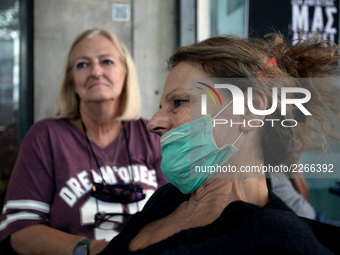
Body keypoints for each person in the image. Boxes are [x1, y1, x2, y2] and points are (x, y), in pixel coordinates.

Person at [98, 34, 340, 254]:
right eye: (161, 107)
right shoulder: (168, 198)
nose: (153, 123)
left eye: (179, 102)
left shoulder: (278, 240)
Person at [0, 28, 167, 254]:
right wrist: (96, 250)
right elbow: (20, 230)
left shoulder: (154, 134)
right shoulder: (45, 137)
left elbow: (180, 214)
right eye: (82, 64)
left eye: (106, 61)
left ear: (125, 73)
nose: (95, 72)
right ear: (71, 81)